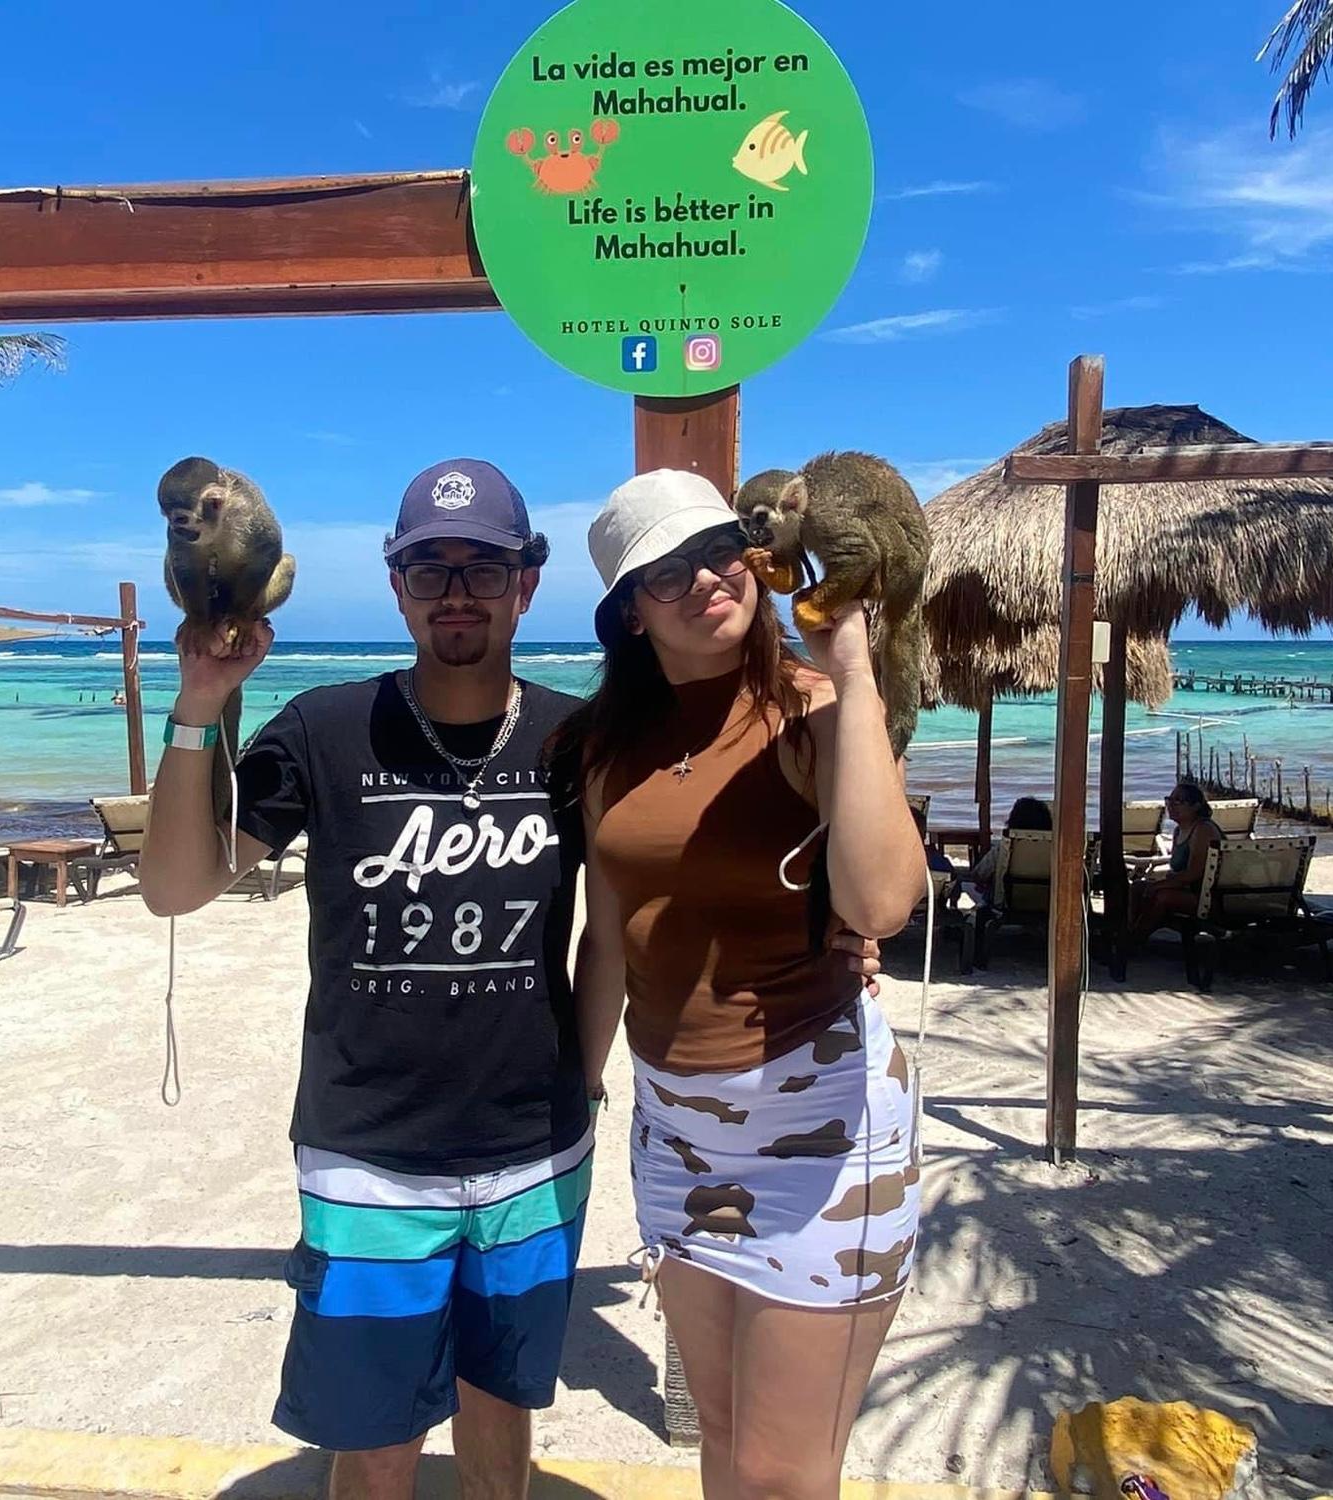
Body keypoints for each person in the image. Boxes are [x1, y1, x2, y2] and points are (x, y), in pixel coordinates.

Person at [138, 459, 594, 1500]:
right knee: (376, 1437)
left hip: (535, 1145)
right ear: (397, 587)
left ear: (527, 583)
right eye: (430, 570)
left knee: (501, 1410)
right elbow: (175, 886)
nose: (456, 593)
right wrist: (200, 702)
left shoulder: (577, 739)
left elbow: (643, 903)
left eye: (484, 568)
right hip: (367, 1156)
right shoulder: (324, 727)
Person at [566, 471, 925, 1500]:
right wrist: (579, 1088)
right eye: (666, 571)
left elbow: (882, 901)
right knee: (722, 1439)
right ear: (630, 613)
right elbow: (608, 938)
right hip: (675, 1131)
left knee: (783, 1473)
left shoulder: (813, 710)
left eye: (719, 549)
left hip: (823, 1126)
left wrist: (851, 671)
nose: (705, 578)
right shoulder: (605, 749)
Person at [1130, 779, 1224, 944]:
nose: (1171, 806)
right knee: (1137, 888)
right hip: (1187, 889)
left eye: (1178, 801)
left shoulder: (1203, 829)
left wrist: (1158, 886)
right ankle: (1128, 930)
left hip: (1209, 896)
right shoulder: (1178, 831)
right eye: (1169, 800)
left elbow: (1194, 873)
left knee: (1162, 896)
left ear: (1196, 806)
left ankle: (1135, 939)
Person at [967, 795, 1052, 894]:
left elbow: (979, 874)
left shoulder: (1005, 846)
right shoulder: (1055, 847)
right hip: (1047, 898)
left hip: (1007, 899)